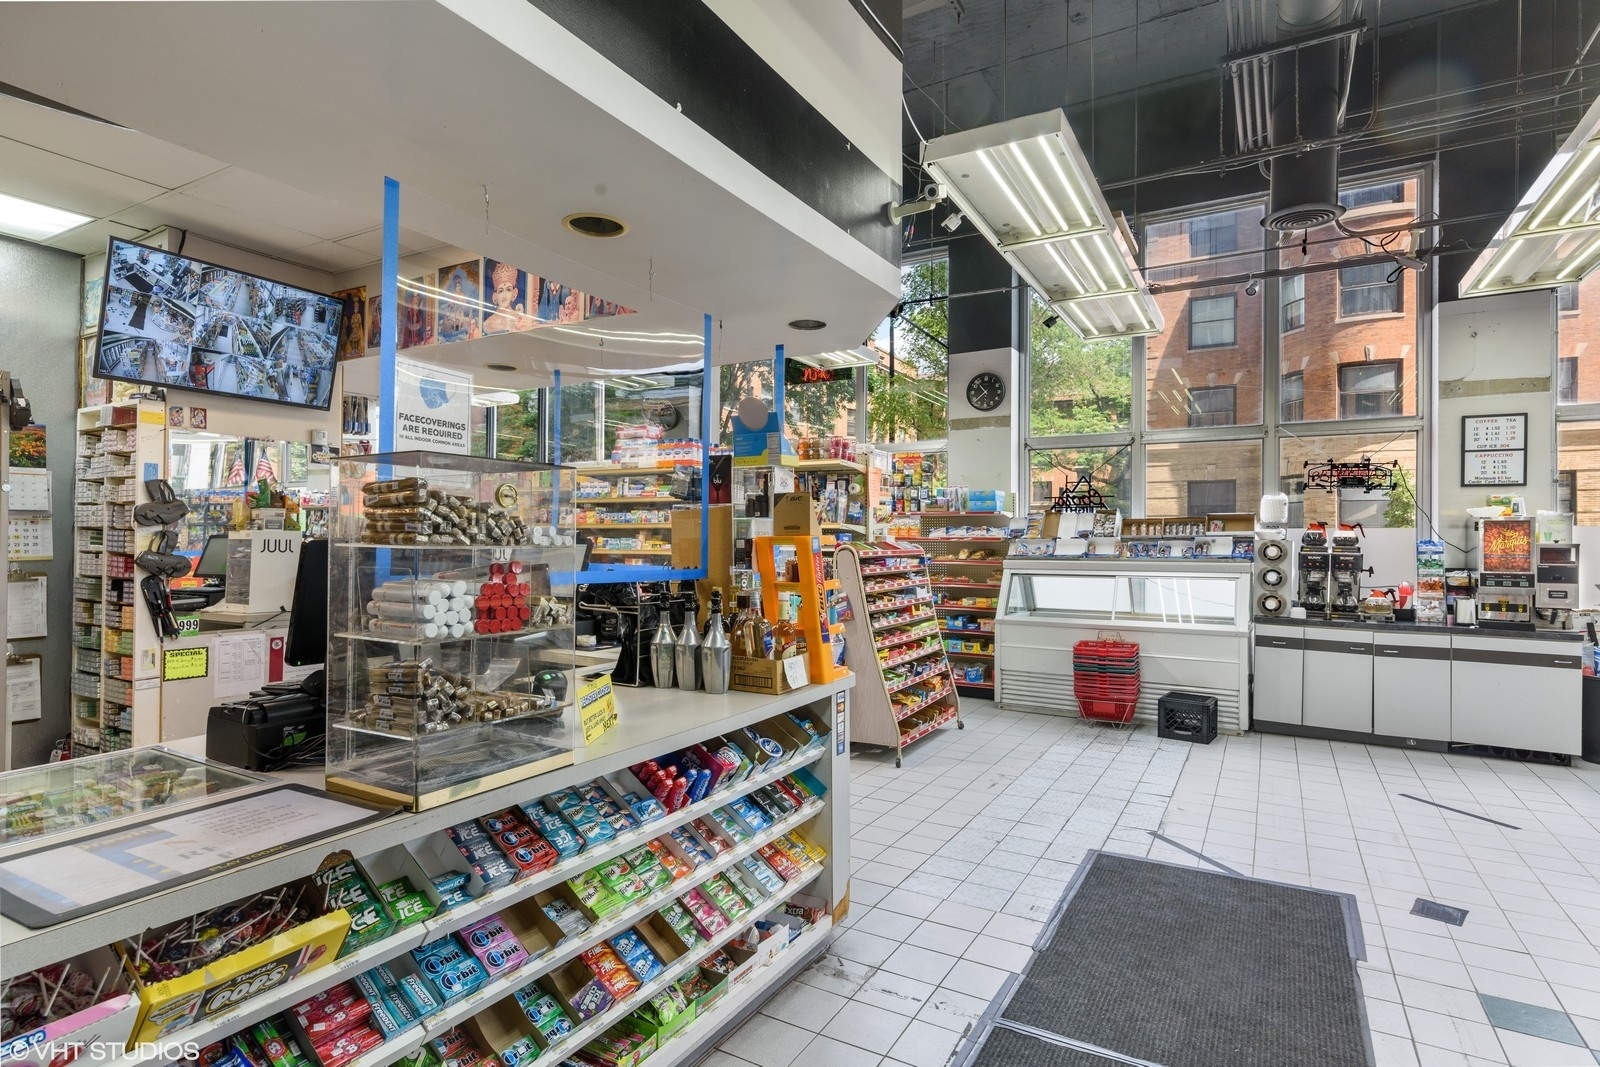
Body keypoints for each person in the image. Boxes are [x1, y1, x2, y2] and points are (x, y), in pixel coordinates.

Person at [482, 261, 526, 334]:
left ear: (514, 293)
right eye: (500, 291)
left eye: (508, 290)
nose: (504, 296)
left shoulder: (519, 318)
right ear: (495, 296)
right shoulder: (487, 324)